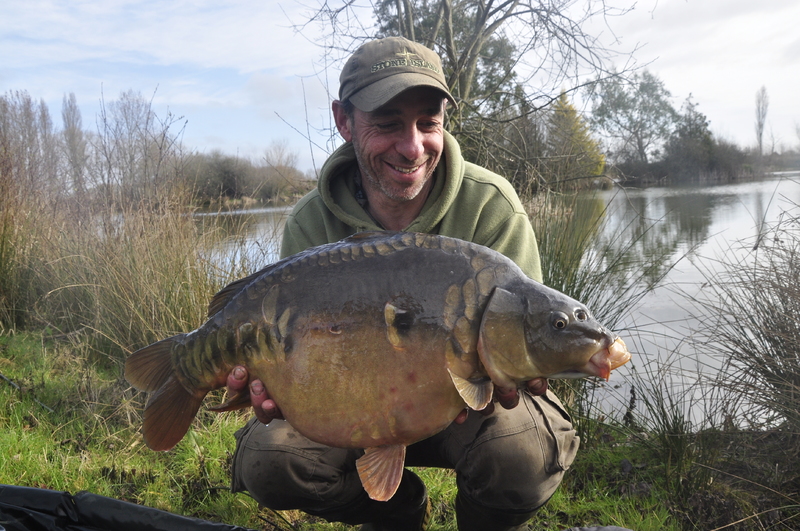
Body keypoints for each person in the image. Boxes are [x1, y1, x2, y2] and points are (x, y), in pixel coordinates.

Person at [226, 36, 580, 531]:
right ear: (344, 121)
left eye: (427, 123)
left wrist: (524, 370)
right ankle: (396, 515)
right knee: (270, 459)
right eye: (389, 124)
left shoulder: (492, 206)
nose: (412, 146)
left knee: (517, 456)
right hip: (353, 406)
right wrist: (275, 385)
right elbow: (290, 356)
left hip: (472, 411)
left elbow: (532, 341)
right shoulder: (309, 223)